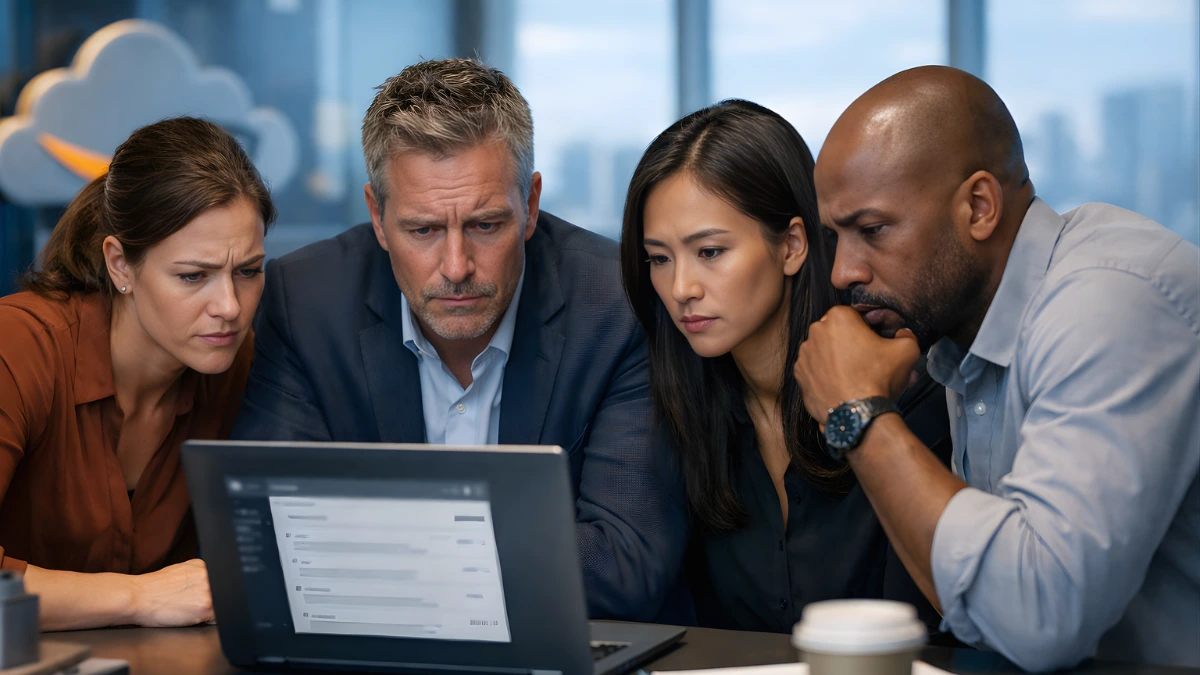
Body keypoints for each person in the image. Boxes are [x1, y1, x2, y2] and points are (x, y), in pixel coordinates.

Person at [231, 58, 688, 620]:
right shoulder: (306, 301)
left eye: (485, 225)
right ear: (377, 215)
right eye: (422, 230)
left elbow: (625, 562)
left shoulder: (618, 304)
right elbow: (271, 536)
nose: (456, 266)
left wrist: (375, 550)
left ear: (531, 205)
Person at [795, 65, 1200, 670]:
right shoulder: (965, 327)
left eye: (873, 230)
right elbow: (980, 613)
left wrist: (857, 410)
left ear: (979, 207)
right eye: (836, 236)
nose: (842, 272)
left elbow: (1040, 618)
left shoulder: (1107, 304)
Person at [619, 99, 952, 632]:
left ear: (793, 245)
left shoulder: (905, 385)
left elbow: (958, 607)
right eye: (659, 258)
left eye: (709, 251)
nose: (681, 289)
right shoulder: (684, 410)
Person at [0, 117, 275, 630]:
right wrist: (139, 597)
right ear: (120, 265)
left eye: (248, 271)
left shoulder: (237, 366)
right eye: (193, 276)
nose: (229, 307)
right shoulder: (19, 346)